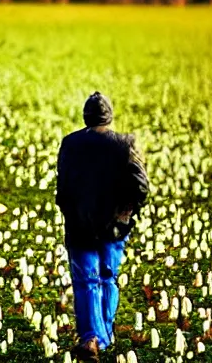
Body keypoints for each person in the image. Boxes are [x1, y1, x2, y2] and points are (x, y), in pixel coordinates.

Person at [56, 92, 149, 362]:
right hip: (114, 227)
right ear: (109, 116)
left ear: (86, 117)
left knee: (86, 282)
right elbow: (141, 185)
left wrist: (70, 211)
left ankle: (90, 338)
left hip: (79, 226)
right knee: (108, 277)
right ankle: (104, 335)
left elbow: (63, 186)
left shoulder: (71, 143)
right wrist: (126, 213)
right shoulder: (125, 144)